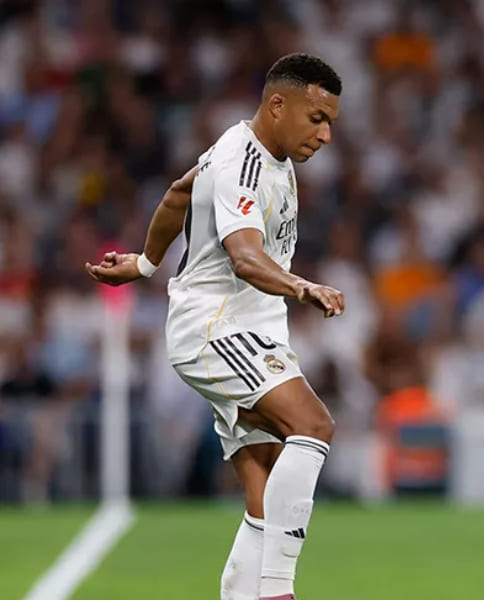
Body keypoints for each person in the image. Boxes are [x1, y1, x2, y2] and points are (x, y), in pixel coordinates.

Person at [85, 53, 344, 600]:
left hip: (250, 330)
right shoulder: (239, 163)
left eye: (330, 123)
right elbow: (245, 258)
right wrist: (302, 286)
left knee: (265, 486)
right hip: (217, 330)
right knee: (313, 426)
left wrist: (146, 264)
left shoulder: (255, 155)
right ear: (278, 105)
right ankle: (279, 591)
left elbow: (177, 195)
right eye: (317, 119)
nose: (325, 135)